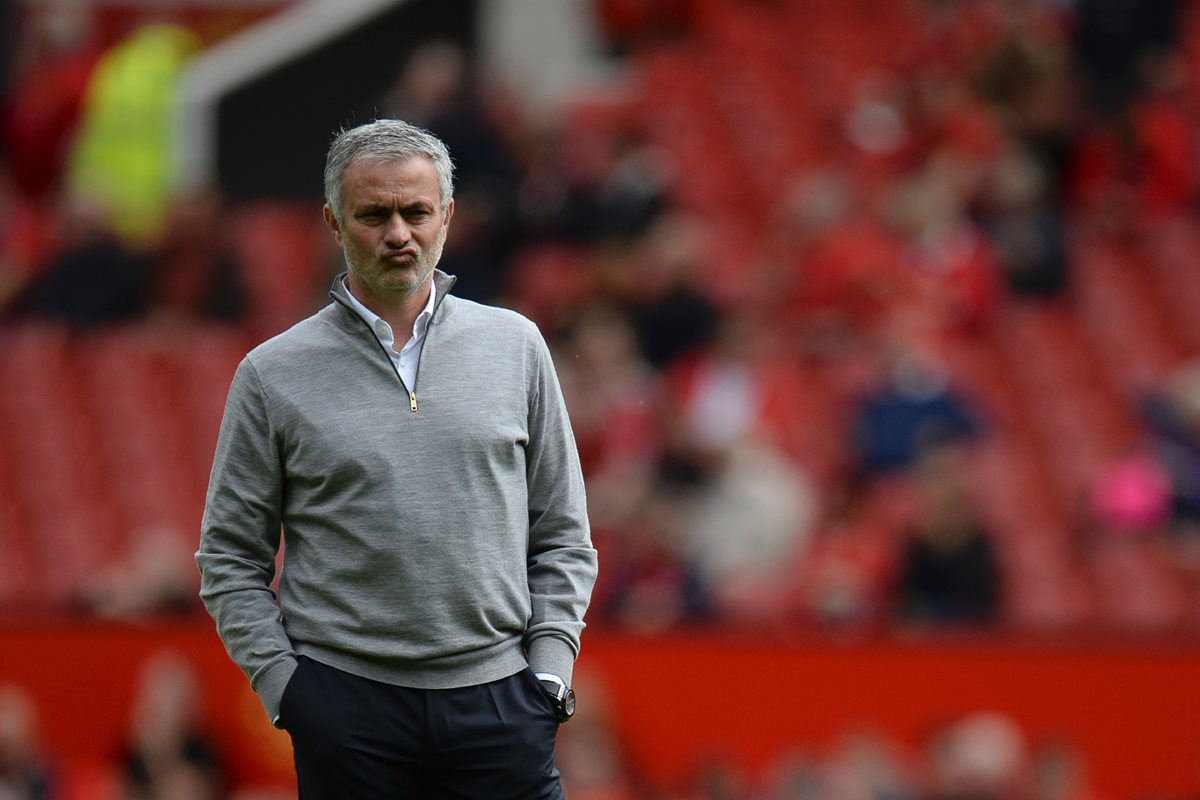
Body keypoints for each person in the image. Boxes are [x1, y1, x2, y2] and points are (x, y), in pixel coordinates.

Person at [196, 118, 597, 798]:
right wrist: (288, 690)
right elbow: (230, 558)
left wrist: (550, 670)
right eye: (373, 213)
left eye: (416, 212)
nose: (398, 233)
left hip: (500, 703)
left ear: (446, 216)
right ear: (334, 220)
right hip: (347, 711)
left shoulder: (517, 347)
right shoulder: (274, 373)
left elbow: (563, 532)